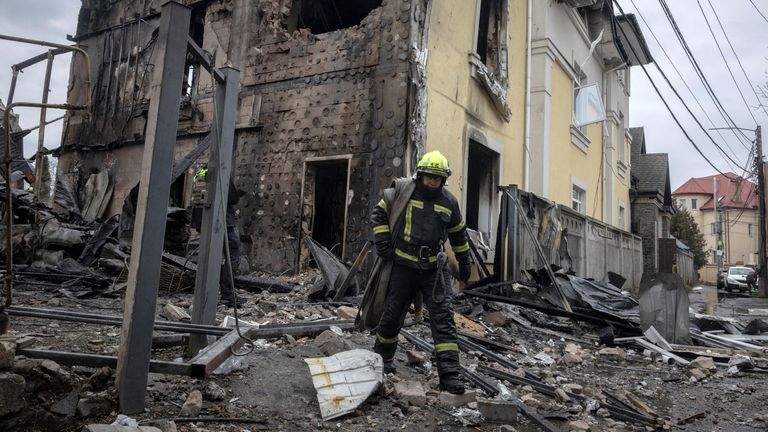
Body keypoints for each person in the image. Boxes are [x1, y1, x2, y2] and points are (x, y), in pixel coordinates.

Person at [370, 150, 472, 395]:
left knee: (444, 320)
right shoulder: (405, 192)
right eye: (428, 176)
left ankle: (450, 377)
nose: (432, 182)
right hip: (403, 266)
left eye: (437, 178)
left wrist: (464, 262)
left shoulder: (449, 202)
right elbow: (379, 213)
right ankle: (381, 362)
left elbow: (458, 235)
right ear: (421, 174)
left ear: (444, 179)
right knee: (392, 315)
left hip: (434, 271)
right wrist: (383, 243)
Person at [191, 164, 245, 307]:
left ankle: (203, 292)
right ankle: (227, 294)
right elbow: (232, 197)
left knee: (208, 257)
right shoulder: (222, 170)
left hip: (203, 222)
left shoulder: (200, 173)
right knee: (232, 255)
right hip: (222, 221)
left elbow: (196, 198)